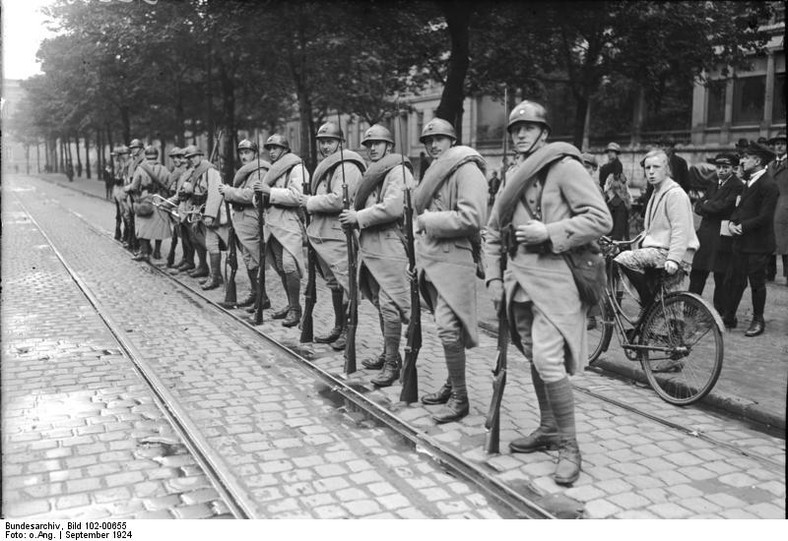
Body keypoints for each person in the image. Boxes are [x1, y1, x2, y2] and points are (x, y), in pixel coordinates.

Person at [485, 100, 611, 485]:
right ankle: (548, 428)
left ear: (544, 132)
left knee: (547, 359)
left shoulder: (564, 167)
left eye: (528, 128)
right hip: (518, 285)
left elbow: (600, 218)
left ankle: (570, 446)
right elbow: (492, 233)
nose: (520, 134)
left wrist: (551, 233)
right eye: (515, 129)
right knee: (537, 359)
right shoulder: (511, 176)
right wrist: (492, 279)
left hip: (556, 282)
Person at [415, 117, 487, 424]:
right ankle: (451, 384)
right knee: (446, 330)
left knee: (447, 327)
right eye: (429, 141)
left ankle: (460, 398)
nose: (434, 145)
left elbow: (473, 218)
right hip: (430, 260)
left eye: (440, 139)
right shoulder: (434, 170)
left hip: (454, 260)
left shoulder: (467, 169)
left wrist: (430, 221)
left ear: (452, 141)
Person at [339, 124, 412, 387]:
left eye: (377, 144)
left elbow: (393, 207)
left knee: (391, 304)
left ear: (389, 147)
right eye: (369, 144)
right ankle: (388, 354)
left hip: (390, 244)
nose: (372, 148)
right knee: (381, 304)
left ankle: (393, 363)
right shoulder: (371, 174)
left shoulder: (398, 171)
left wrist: (357, 217)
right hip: (369, 246)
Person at [301, 122, 365, 348]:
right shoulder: (328, 165)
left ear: (340, 143)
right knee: (333, 283)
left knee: (347, 283)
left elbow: (340, 199)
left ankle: (349, 331)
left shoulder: (347, 166)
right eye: (323, 142)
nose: (326, 146)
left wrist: (309, 202)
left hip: (339, 233)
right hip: (321, 233)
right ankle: (339, 327)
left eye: (330, 142)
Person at [615, 149, 698, 316]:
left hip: (670, 253)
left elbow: (680, 230)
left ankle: (648, 305)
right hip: (660, 251)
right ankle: (671, 334)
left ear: (666, 169)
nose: (651, 172)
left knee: (623, 259)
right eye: (647, 168)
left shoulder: (674, 193)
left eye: (656, 167)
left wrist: (674, 259)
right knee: (671, 306)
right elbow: (654, 229)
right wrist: (628, 243)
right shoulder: (657, 191)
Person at [722, 142, 779, 335]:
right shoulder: (750, 181)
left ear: (758, 160)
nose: (742, 160)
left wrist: (742, 226)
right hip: (741, 242)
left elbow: (765, 217)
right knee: (736, 280)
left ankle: (758, 320)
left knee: (757, 283)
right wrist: (731, 222)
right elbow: (740, 209)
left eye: (746, 157)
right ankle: (729, 317)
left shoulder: (769, 185)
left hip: (758, 244)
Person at [254, 135, 308, 327]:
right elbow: (260, 196)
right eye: (270, 148)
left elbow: (298, 196)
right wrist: (259, 195)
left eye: (276, 147)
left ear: (285, 149)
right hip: (272, 224)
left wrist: (269, 192)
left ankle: (296, 309)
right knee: (279, 265)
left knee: (289, 264)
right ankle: (290, 303)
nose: (272, 151)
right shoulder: (272, 170)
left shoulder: (296, 168)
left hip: (289, 222)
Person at [218, 139, 271, 311]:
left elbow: (251, 195)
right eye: (241, 153)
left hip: (252, 216)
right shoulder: (245, 171)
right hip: (241, 217)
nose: (243, 156)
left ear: (255, 154)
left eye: (247, 152)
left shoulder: (259, 170)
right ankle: (255, 293)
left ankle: (262, 297)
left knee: (255, 258)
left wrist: (229, 191)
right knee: (248, 259)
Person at [688, 153, 743, 314]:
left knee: (721, 275)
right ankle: (689, 307)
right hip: (706, 233)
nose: (721, 171)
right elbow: (697, 206)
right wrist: (708, 205)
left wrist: (707, 205)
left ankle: (719, 312)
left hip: (722, 235)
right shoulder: (713, 183)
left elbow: (725, 207)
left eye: (725, 168)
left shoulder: (737, 185)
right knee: (698, 271)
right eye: (718, 167)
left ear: (733, 169)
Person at [126, 146, 171, 262]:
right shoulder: (164, 169)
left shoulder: (141, 169)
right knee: (159, 227)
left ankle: (145, 252)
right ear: (157, 155)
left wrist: (128, 188)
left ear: (146, 156)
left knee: (142, 226)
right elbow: (169, 184)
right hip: (160, 200)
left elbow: (135, 186)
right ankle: (157, 251)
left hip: (146, 199)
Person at [180, 145, 214, 281]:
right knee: (195, 239)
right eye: (189, 158)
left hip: (205, 208)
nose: (192, 159)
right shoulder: (195, 171)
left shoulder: (209, 170)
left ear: (201, 156)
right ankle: (202, 266)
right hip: (196, 207)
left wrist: (210, 214)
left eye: (194, 156)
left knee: (209, 242)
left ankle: (215, 274)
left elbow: (213, 192)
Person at [767, 131, 787, 284]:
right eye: (777, 144)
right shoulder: (770, 165)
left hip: (785, 205)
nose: (779, 147)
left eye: (783, 143)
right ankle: (770, 273)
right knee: (770, 239)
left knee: (785, 241)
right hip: (772, 205)